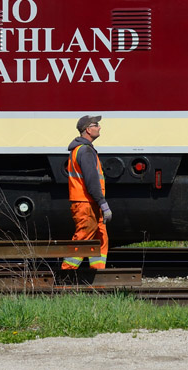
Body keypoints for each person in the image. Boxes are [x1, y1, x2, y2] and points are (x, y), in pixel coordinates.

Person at [61, 115, 112, 272]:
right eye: (96, 125)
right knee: (83, 238)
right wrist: (103, 203)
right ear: (88, 130)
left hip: (89, 203)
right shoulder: (85, 151)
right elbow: (92, 181)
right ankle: (66, 275)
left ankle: (98, 276)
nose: (99, 127)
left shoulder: (82, 150)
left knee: (100, 238)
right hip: (86, 203)